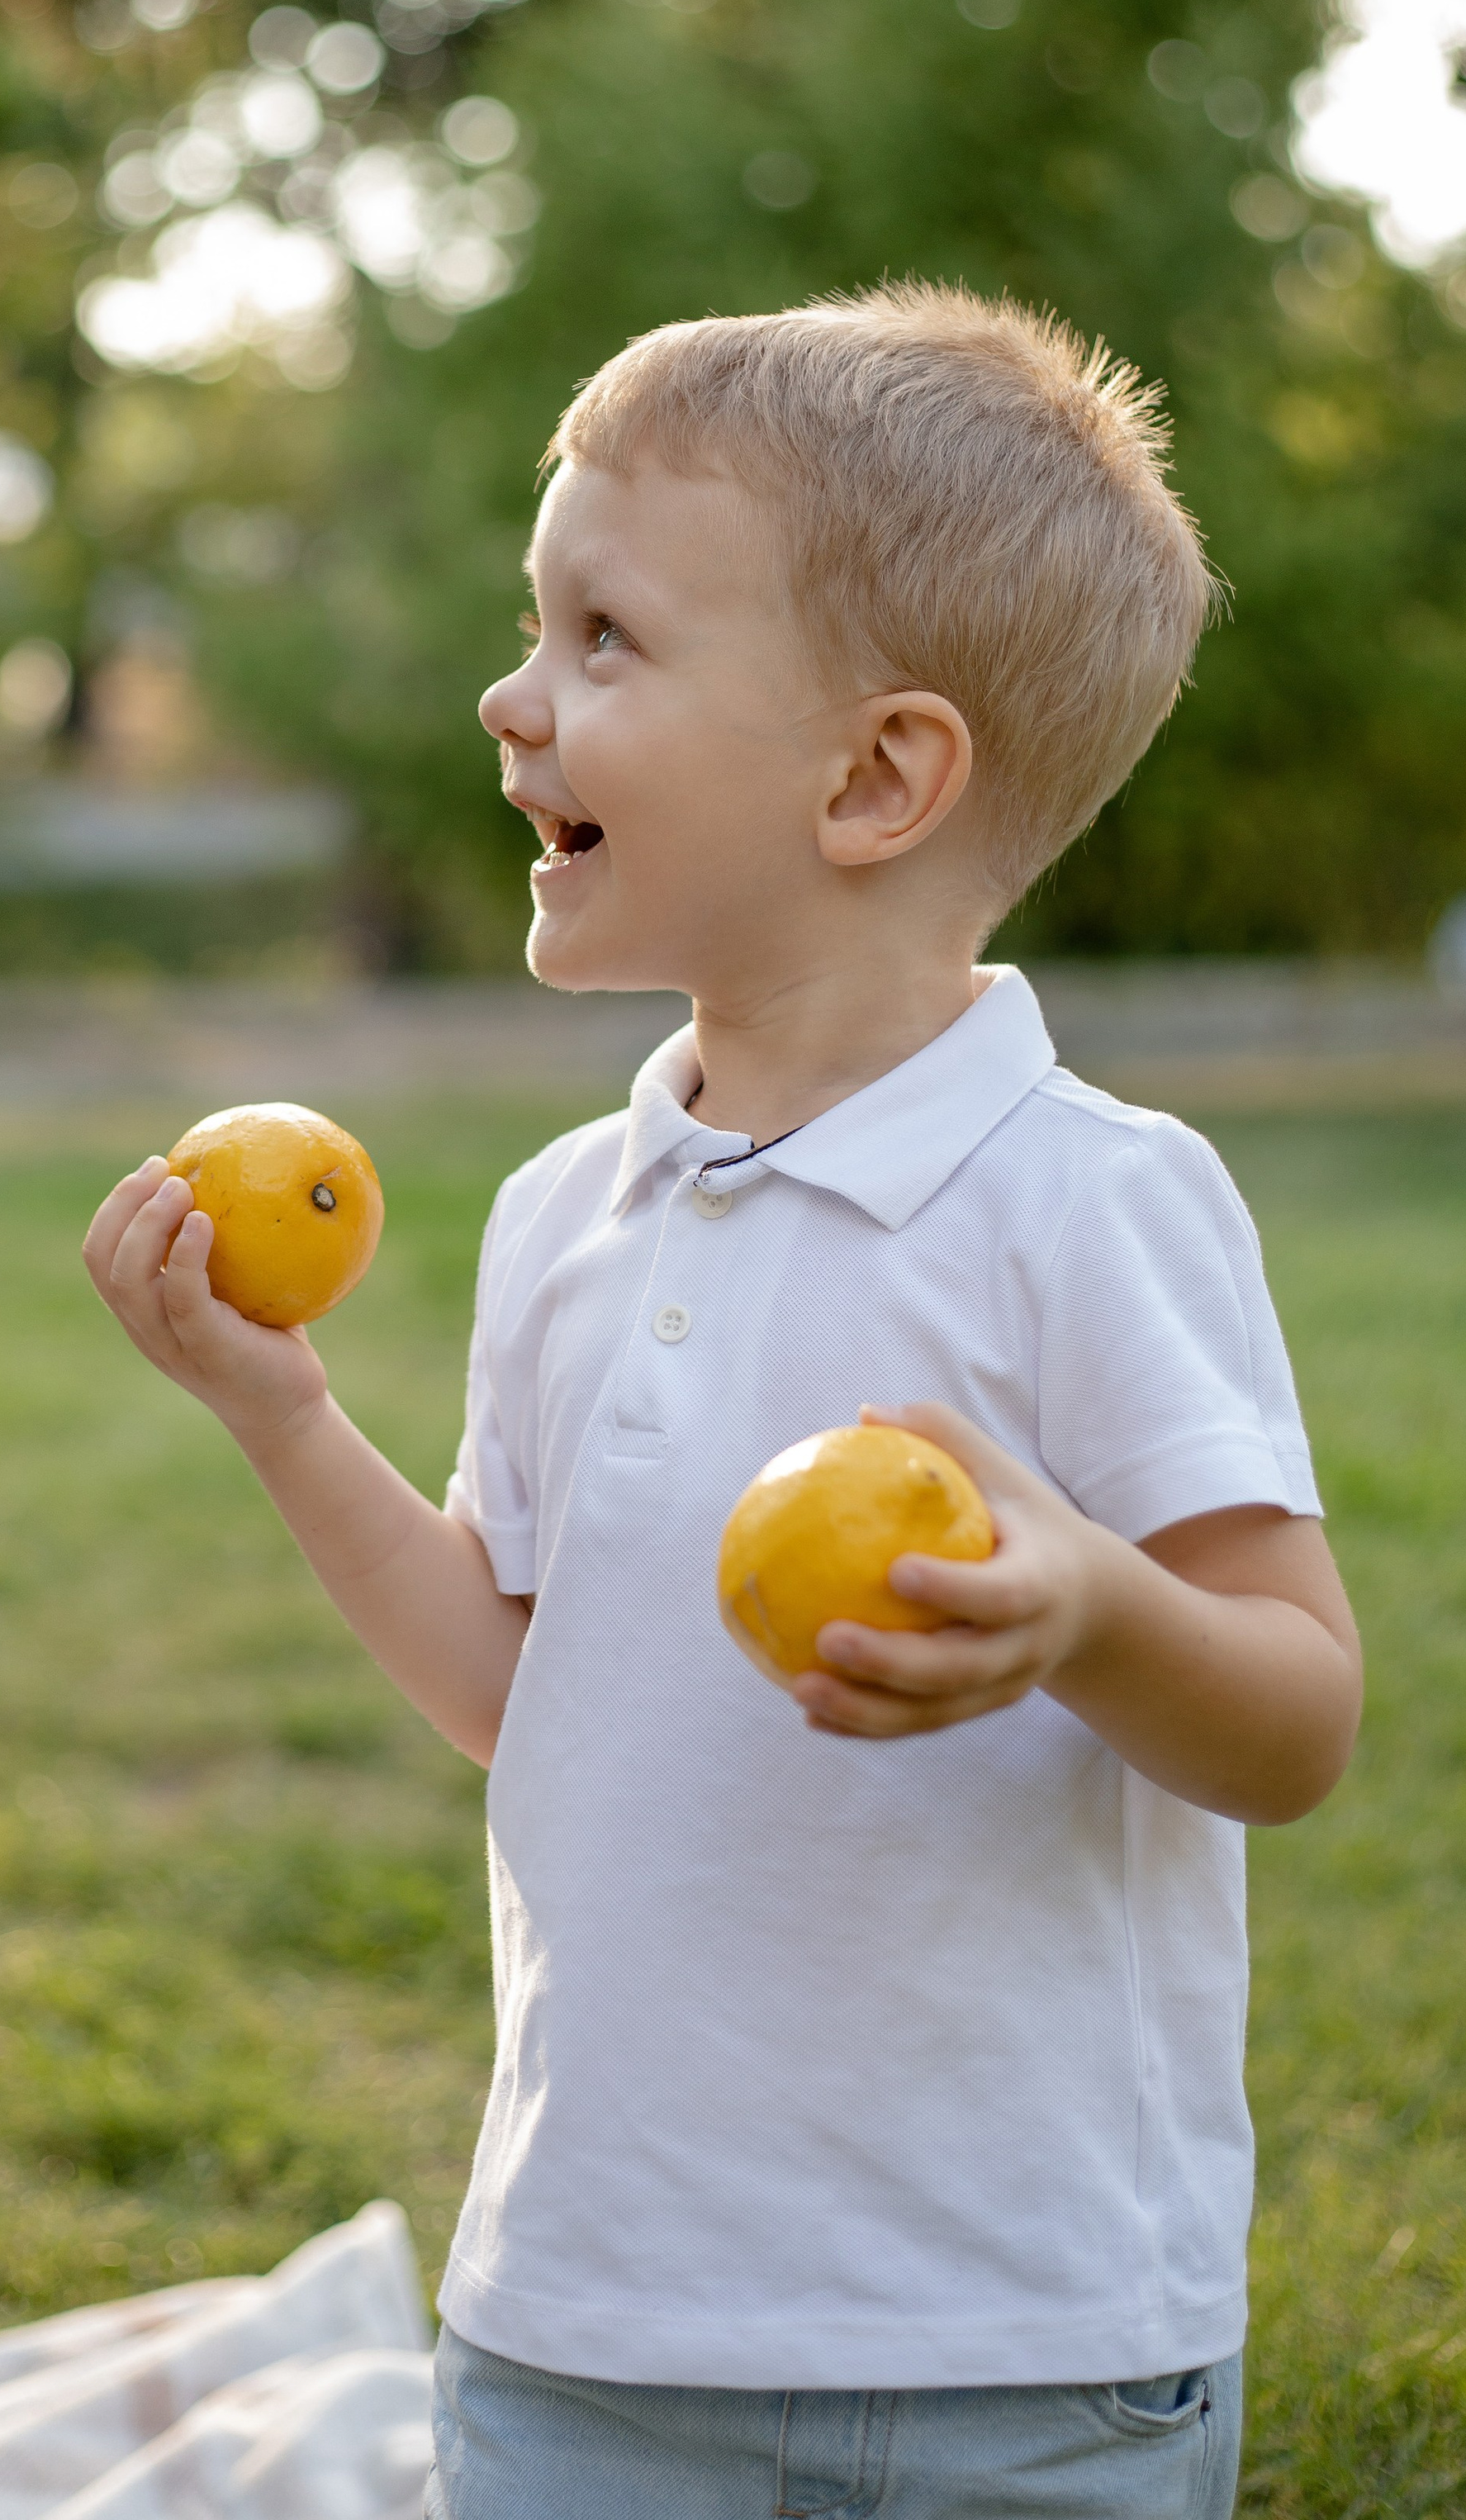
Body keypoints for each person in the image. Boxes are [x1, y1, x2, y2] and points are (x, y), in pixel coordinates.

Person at [83, 282, 1363, 2520]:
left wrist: (1084, 1607)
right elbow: (523, 1688)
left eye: (603, 641)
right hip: (591, 2329)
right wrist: (287, 1417)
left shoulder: (1094, 1205)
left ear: (875, 775)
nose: (513, 697)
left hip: (1021, 2353)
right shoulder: (571, 1215)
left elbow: (1295, 1722)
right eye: (532, 622)